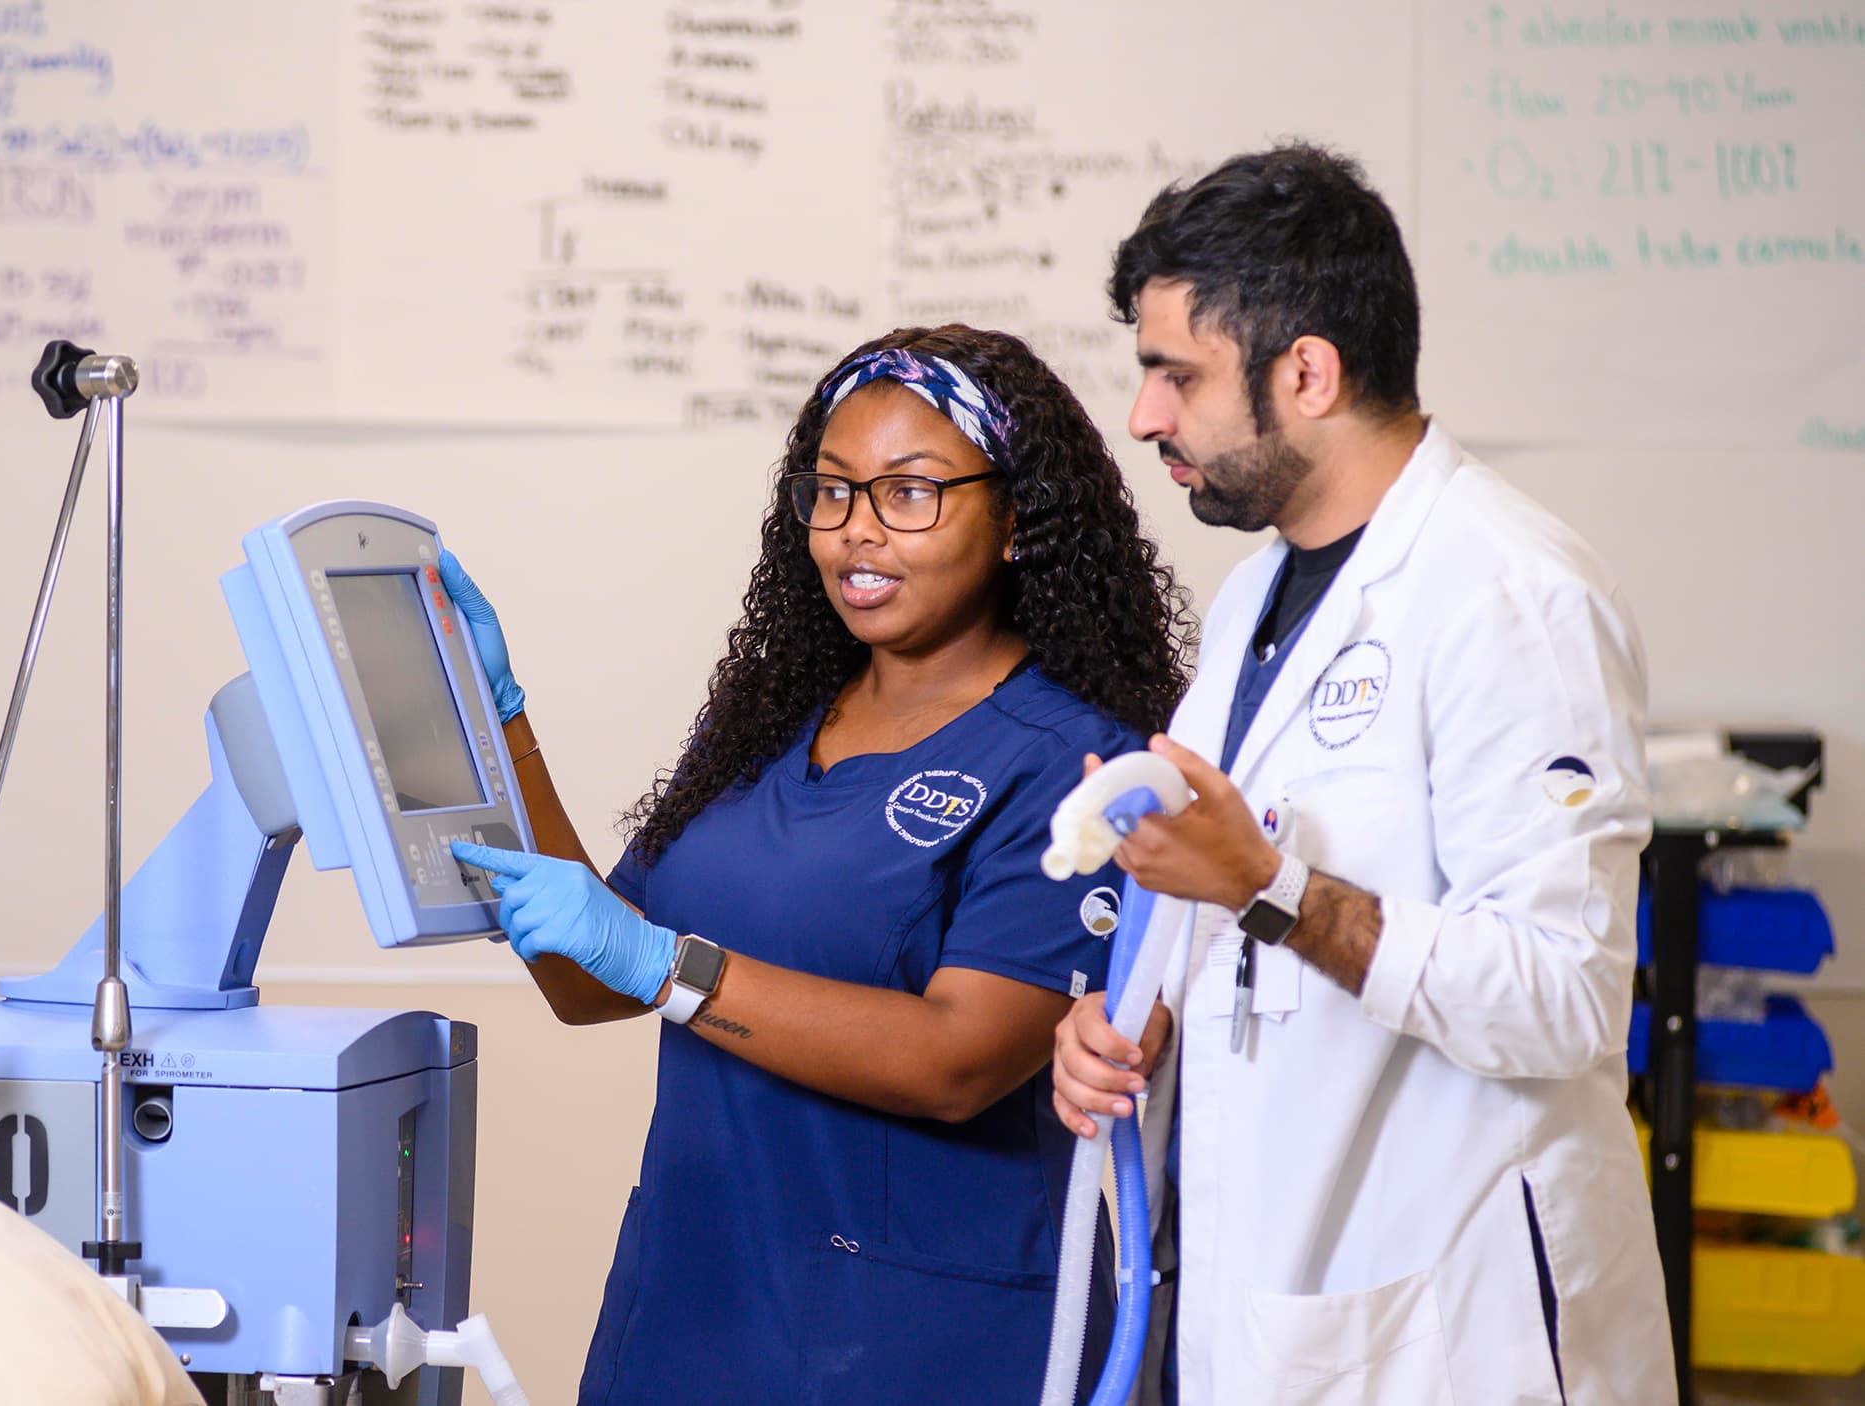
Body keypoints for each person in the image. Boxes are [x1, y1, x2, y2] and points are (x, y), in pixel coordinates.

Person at [441, 324, 1193, 1402]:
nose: (855, 534)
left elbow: (958, 1061)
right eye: (831, 492)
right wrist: (497, 725)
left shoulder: (1077, 762)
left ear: (1016, 515)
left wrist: (668, 967)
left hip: (922, 1341)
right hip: (695, 1316)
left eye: (910, 493)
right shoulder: (771, 719)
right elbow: (587, 972)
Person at [1049, 144, 1672, 1405]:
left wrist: (1270, 887)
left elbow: (1563, 997)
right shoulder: (1249, 607)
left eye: (1175, 373)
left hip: (1456, 1336)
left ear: (1309, 371)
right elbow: (1234, 918)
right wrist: (1130, 1033)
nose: (1143, 416)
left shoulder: (1510, 593)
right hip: (1277, 1303)